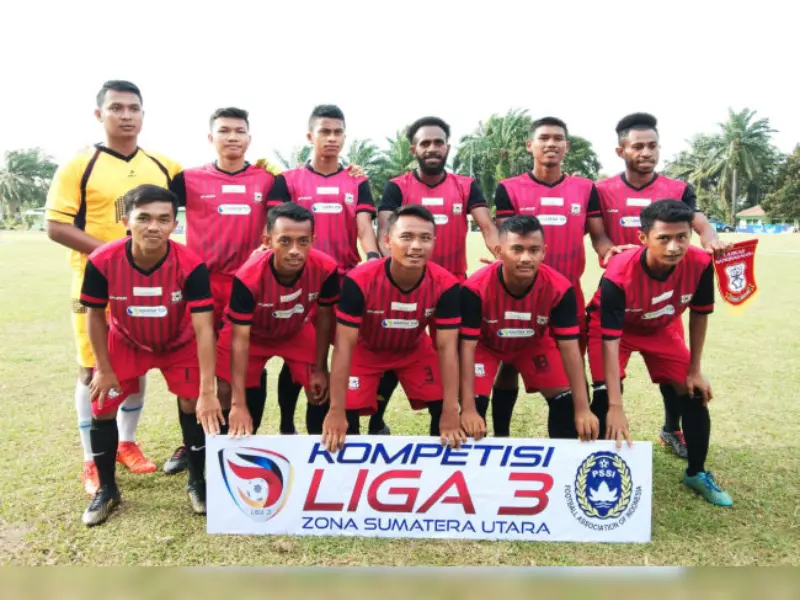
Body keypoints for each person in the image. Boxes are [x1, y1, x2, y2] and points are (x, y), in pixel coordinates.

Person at [45, 80, 182, 496]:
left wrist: (267, 170)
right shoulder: (78, 165)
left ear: (143, 114)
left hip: (147, 286)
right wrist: (114, 254)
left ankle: (126, 443)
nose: (126, 116)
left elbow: (214, 181)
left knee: (135, 365)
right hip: (95, 283)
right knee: (93, 368)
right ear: (99, 114)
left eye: (133, 108)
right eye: (116, 108)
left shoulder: (164, 166)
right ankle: (92, 458)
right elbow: (56, 225)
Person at [78, 185, 222, 526]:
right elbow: (94, 316)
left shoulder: (191, 264)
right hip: (126, 341)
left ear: (175, 224)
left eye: (163, 219)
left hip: (179, 342)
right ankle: (108, 489)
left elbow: (204, 328)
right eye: (143, 218)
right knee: (103, 403)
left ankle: (197, 482)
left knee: (193, 404)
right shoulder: (102, 260)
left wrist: (207, 390)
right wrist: (104, 369)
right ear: (126, 221)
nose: (153, 226)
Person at [595, 112, 732, 458]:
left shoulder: (678, 189)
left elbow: (698, 221)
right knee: (604, 386)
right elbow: (597, 234)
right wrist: (608, 250)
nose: (646, 152)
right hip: (621, 291)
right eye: (638, 146)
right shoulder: (602, 190)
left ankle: (672, 429)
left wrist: (710, 237)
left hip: (663, 301)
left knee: (677, 376)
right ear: (621, 151)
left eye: (652, 145)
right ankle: (600, 450)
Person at [586, 199, 732, 507]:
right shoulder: (618, 273)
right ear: (643, 238)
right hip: (615, 330)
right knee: (603, 397)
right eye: (663, 238)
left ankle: (696, 472)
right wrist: (616, 405)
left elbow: (700, 314)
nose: (673, 247)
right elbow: (610, 339)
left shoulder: (700, 262)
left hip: (659, 326)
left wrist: (694, 369)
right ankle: (594, 471)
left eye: (682, 237)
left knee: (694, 392)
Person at [162, 107, 280, 475]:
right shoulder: (188, 179)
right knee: (196, 368)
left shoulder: (268, 180)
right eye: (224, 130)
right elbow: (150, 207)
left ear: (249, 138)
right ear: (210, 137)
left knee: (243, 366)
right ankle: (193, 444)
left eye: (239, 131)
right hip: (200, 284)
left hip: (248, 285)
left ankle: (239, 443)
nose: (232, 137)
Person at [491, 116, 620, 437]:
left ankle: (567, 443)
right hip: (522, 292)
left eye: (558, 138)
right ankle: (501, 437)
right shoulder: (509, 188)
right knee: (509, 360)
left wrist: (611, 252)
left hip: (568, 294)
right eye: (544, 138)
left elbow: (599, 236)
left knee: (570, 366)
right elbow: (504, 237)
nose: (551, 144)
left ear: (567, 146)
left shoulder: (585, 188)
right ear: (530, 145)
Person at [371, 116, 500, 436]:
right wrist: (395, 277)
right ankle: (375, 420)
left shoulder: (465, 186)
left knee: (451, 357)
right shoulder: (397, 186)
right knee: (395, 349)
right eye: (425, 143)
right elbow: (385, 232)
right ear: (414, 149)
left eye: (438, 142)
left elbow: (487, 227)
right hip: (406, 288)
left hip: (452, 288)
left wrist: (504, 256)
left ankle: (443, 426)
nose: (432, 148)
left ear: (447, 147)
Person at [266, 104, 380, 435]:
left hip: (344, 281)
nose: (332, 138)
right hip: (300, 282)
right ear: (310, 136)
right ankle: (287, 426)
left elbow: (364, 225)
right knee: (301, 357)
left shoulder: (356, 181)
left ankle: (348, 424)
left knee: (350, 354)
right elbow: (275, 228)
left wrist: (373, 256)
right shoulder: (287, 180)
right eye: (325, 131)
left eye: (338, 132)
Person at [321, 205, 464, 451]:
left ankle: (437, 466)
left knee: (443, 405)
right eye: (406, 237)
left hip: (414, 350)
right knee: (346, 412)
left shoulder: (447, 284)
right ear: (387, 241)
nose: (416, 246)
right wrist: (335, 409)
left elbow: (447, 348)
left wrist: (452, 410)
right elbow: (344, 347)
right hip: (365, 351)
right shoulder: (359, 280)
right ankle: (354, 467)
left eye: (425, 238)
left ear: (434, 242)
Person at [459, 216, 598, 442]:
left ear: (544, 252)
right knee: (472, 413)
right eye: (516, 249)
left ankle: (559, 460)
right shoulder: (474, 288)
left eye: (533, 250)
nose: (525, 258)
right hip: (486, 347)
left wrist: (582, 408)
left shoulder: (560, 288)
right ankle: (497, 441)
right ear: (499, 251)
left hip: (533, 344)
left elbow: (570, 350)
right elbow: (466, 348)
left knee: (567, 404)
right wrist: (467, 408)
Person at [219, 203, 340, 437]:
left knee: (319, 389)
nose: (295, 250)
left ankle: (315, 450)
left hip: (295, 329)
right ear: (267, 241)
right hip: (251, 334)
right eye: (285, 241)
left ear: (313, 240)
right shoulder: (247, 277)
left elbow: (324, 320)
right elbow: (240, 339)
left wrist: (321, 367)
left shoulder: (326, 268)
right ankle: (229, 446)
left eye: (303, 241)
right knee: (225, 389)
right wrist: (238, 404)